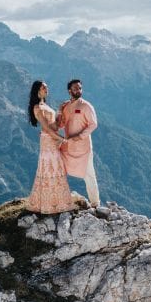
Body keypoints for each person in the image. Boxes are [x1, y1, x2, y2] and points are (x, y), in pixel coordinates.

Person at [25, 80, 75, 214]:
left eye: (46, 87)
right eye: (43, 88)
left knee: (55, 167)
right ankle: (50, 204)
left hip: (52, 138)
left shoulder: (44, 105)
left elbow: (55, 126)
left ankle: (56, 202)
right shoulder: (37, 108)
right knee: (49, 168)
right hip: (48, 140)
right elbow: (46, 128)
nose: (46, 89)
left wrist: (61, 110)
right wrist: (62, 139)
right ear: (38, 90)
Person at [57, 78, 100, 207]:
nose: (78, 90)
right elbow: (61, 124)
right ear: (69, 91)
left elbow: (93, 124)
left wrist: (80, 136)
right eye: (75, 88)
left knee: (89, 175)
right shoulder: (66, 106)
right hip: (68, 146)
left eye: (80, 88)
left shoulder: (86, 106)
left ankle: (95, 203)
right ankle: (60, 198)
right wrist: (59, 111)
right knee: (59, 169)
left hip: (83, 147)